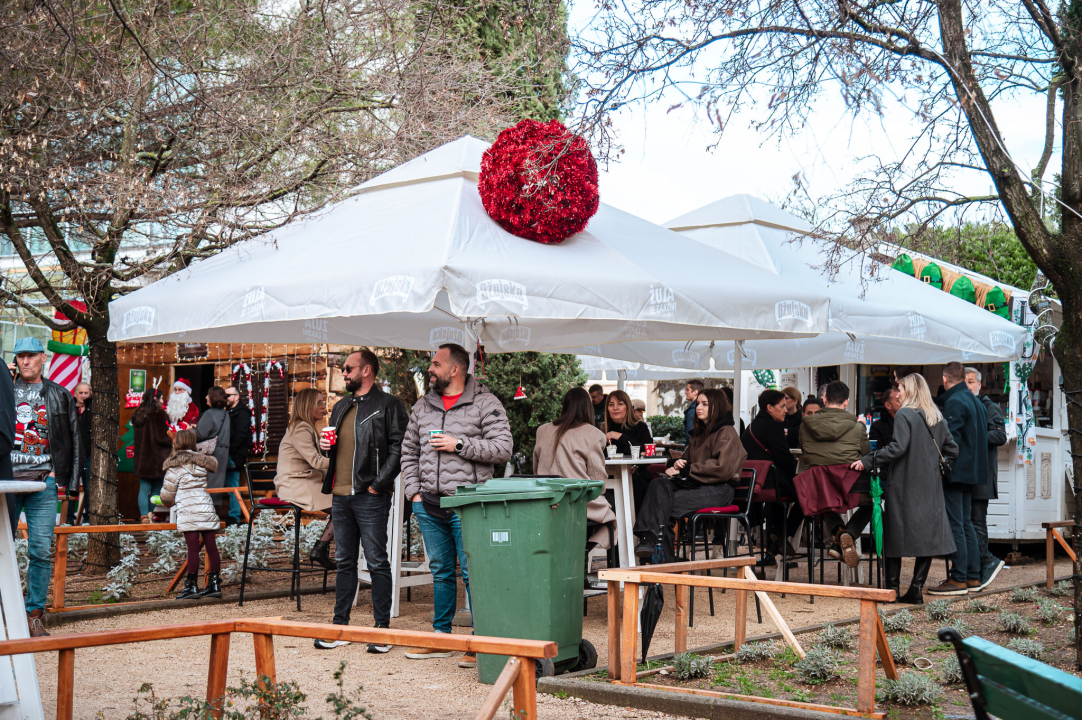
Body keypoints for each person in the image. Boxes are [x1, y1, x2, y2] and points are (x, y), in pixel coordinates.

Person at [400, 343, 512, 666]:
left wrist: (459, 444)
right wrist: (414, 493)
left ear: (455, 369)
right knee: (440, 572)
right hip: (428, 504)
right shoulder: (423, 406)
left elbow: (503, 448)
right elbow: (409, 451)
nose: (429, 369)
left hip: (470, 505)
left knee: (475, 573)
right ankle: (441, 638)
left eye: (435, 364)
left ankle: (480, 642)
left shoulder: (485, 403)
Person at [315, 350, 407, 653]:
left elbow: (399, 448)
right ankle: (340, 627)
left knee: (377, 560)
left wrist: (378, 485)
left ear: (366, 370)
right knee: (344, 562)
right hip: (341, 495)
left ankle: (382, 630)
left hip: (369, 494)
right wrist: (325, 445)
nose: (343, 373)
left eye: (347, 368)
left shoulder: (389, 405)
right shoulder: (341, 405)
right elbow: (337, 448)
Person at [852, 374, 958, 603]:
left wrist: (868, 461)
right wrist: (935, 470)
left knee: (894, 536)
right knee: (927, 538)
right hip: (930, 486)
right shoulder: (935, 416)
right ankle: (916, 589)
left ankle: (892, 590)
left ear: (909, 391)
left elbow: (897, 448)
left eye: (899, 389)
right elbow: (952, 449)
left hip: (903, 484)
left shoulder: (904, 414)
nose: (897, 393)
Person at [8, 337, 79, 637]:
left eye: (31, 356)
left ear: (43, 358)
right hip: (7, 483)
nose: (25, 361)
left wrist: (68, 481)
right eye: (20, 356)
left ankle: (34, 615)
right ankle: (6, 612)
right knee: (2, 548)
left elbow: (74, 440)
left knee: (39, 550)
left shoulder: (60, 395)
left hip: (43, 483)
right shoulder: (4, 390)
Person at [634, 389, 746, 563]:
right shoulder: (699, 433)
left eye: (705, 404)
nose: (698, 407)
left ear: (717, 407)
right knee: (658, 485)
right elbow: (686, 461)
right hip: (697, 485)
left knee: (664, 506)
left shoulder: (727, 432)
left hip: (720, 489)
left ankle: (659, 557)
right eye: (698, 403)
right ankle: (652, 544)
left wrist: (686, 469)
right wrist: (676, 464)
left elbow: (723, 468)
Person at [929, 361, 988, 595]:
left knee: (957, 524)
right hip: (972, 471)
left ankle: (959, 577)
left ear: (944, 379)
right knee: (966, 523)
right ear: (963, 378)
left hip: (956, 471)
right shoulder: (976, 401)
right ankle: (973, 576)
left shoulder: (955, 401)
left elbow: (949, 440)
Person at [798, 380, 871, 568]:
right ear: (846, 402)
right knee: (873, 503)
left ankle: (839, 533)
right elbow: (866, 456)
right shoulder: (857, 427)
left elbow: (805, 452)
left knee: (823, 501)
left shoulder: (805, 426)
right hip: (850, 487)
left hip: (818, 489)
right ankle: (850, 533)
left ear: (824, 399)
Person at [533, 388, 616, 551]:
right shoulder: (594, 434)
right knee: (611, 514)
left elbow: (536, 470)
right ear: (588, 408)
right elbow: (598, 482)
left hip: (546, 500)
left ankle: (576, 552)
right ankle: (585, 552)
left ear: (565, 406)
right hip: (577, 500)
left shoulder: (542, 430)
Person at [160, 429, 223, 600]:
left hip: (189, 511)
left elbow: (167, 495)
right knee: (212, 548)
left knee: (193, 550)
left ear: (178, 443)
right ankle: (214, 584)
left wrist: (167, 501)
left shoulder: (175, 466)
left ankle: (191, 587)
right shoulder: (202, 463)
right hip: (206, 508)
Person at [275, 389, 334, 568]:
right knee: (344, 508)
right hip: (296, 485)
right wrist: (345, 461)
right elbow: (316, 462)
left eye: (323, 402)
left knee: (345, 507)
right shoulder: (301, 428)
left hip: (303, 481)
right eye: (319, 403)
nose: (324, 407)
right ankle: (320, 549)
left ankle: (322, 548)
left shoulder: (305, 427)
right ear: (307, 406)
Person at [742, 390, 798, 558]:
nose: (785, 410)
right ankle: (783, 535)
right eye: (781, 406)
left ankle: (774, 545)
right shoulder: (773, 426)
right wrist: (796, 472)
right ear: (769, 408)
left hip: (752, 485)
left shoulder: (751, 426)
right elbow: (784, 458)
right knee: (807, 495)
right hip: (769, 485)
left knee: (778, 497)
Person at [965, 367, 1007, 590]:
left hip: (982, 476)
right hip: (967, 475)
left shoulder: (990, 407)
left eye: (971, 382)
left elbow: (1000, 435)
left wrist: (972, 436)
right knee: (968, 523)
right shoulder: (964, 407)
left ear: (979, 385)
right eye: (964, 382)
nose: (968, 386)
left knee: (977, 522)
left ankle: (987, 562)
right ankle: (973, 568)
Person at [604, 389, 655, 509]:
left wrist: (620, 436)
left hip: (635, 477)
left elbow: (648, 452)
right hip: (607, 477)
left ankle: (635, 521)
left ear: (627, 406)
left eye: (620, 404)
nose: (615, 408)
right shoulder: (601, 429)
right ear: (607, 409)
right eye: (611, 405)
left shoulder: (640, 427)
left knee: (637, 487)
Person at [132, 389, 173, 523]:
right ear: (155, 398)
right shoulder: (160, 414)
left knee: (143, 488)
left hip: (142, 458)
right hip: (157, 459)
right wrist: (173, 439)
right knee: (156, 488)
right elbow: (162, 437)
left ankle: (144, 516)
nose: (162, 401)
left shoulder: (138, 413)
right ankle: (149, 515)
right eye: (161, 398)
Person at [195, 386, 230, 515]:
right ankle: (215, 514)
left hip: (210, 453)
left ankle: (206, 515)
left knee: (207, 484)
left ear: (213, 398)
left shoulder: (209, 414)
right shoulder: (225, 414)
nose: (206, 397)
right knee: (217, 484)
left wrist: (189, 430)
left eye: (208, 395)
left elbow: (200, 434)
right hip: (223, 452)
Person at [224, 385, 251, 526]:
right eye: (225, 396)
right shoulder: (227, 412)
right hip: (228, 455)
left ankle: (234, 517)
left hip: (233, 456)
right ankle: (232, 516)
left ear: (237, 397)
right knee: (230, 486)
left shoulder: (242, 413)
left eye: (228, 395)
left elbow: (241, 435)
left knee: (232, 487)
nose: (226, 398)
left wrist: (229, 449)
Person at [71, 382, 92, 524]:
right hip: (71, 454)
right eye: (81, 393)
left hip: (88, 454)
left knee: (89, 488)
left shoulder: (93, 409)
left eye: (86, 393)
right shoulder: (69, 408)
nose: (83, 396)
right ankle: (68, 519)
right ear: (75, 394)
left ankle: (87, 519)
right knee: (71, 488)